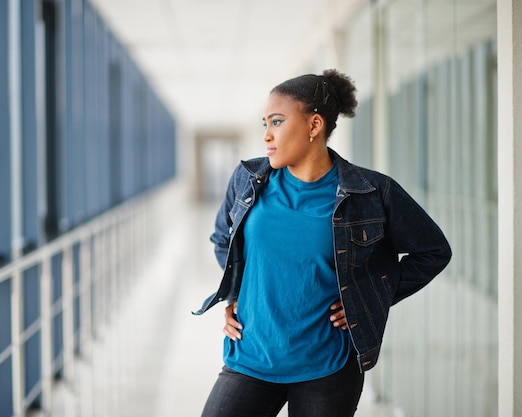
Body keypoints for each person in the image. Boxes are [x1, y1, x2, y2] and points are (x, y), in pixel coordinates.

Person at [192, 69, 452, 417]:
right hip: (250, 356)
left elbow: (433, 251)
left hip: (328, 368)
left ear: (314, 126)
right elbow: (223, 238)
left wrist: (371, 298)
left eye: (277, 122)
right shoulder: (248, 179)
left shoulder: (373, 192)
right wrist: (236, 293)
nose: (267, 136)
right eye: (264, 124)